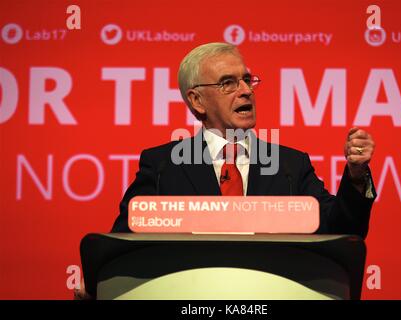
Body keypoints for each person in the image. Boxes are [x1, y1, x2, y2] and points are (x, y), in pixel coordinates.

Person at [110, 42, 376, 239]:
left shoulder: (290, 167)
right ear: (196, 100)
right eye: (228, 83)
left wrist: (355, 174)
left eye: (247, 80)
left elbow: (341, 231)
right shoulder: (163, 166)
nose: (247, 91)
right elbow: (124, 238)